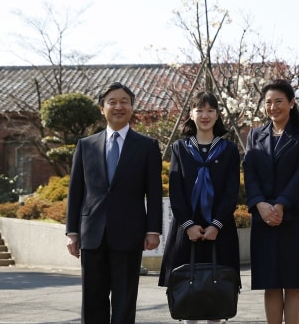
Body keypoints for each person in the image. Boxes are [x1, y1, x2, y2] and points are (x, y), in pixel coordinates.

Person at [65, 82, 163, 323]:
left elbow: (154, 191)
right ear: (102, 108)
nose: (118, 106)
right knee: (92, 299)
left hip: (130, 233)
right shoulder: (85, 145)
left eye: (124, 102)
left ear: (132, 108)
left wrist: (153, 230)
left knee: (125, 299)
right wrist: (72, 232)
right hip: (92, 234)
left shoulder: (147, 146)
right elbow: (76, 192)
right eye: (112, 102)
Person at [158, 91, 241, 324]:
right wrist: (189, 224)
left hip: (220, 229)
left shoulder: (229, 149)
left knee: (218, 293)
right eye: (200, 110)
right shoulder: (180, 148)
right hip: (187, 230)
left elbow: (231, 191)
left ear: (217, 115)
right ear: (191, 114)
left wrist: (216, 224)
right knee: (187, 292)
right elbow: (176, 190)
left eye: (210, 110)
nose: (205, 115)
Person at [242, 79, 299, 324]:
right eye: (268, 102)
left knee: (293, 282)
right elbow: (249, 173)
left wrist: (281, 203)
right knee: (270, 283)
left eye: (279, 101)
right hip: (263, 218)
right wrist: (260, 205)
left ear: (291, 103)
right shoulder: (254, 135)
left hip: (294, 215)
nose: (273, 107)